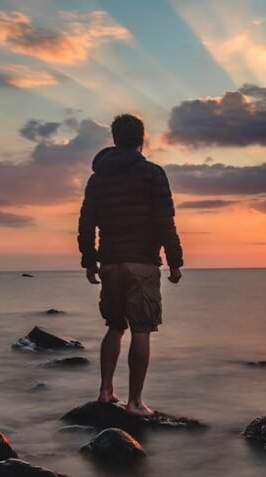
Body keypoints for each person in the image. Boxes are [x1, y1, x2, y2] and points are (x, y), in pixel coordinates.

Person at [77, 114, 184, 417]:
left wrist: (89, 260)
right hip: (141, 263)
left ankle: (105, 391)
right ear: (141, 139)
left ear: (114, 139)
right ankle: (135, 402)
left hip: (109, 262)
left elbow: (86, 223)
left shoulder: (98, 178)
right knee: (141, 329)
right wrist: (175, 262)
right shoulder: (152, 174)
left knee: (114, 326)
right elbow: (165, 220)